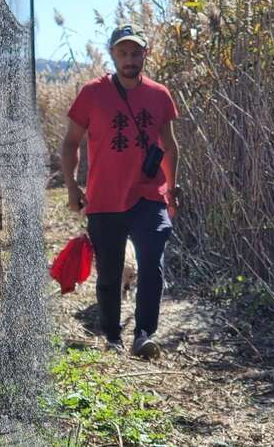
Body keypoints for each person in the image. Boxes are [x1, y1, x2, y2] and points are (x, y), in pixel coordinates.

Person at [60, 23, 182, 358]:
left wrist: (171, 188)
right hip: (105, 197)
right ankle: (112, 338)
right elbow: (71, 144)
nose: (130, 59)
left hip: (150, 195)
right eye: (123, 52)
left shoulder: (159, 95)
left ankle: (144, 335)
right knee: (110, 273)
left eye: (136, 52)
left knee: (151, 264)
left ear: (145, 54)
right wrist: (73, 187)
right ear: (112, 54)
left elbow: (169, 146)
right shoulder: (92, 93)